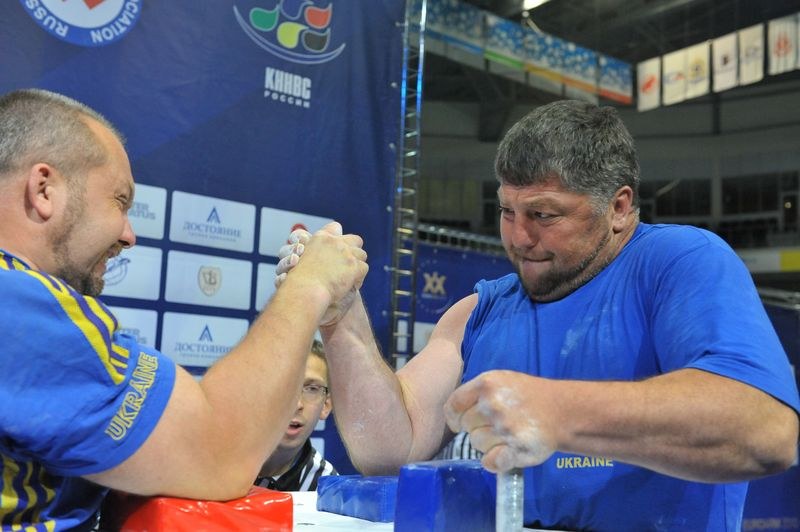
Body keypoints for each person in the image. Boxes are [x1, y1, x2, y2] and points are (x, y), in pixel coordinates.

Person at [277, 100, 800, 530]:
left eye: (543, 215)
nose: (518, 237)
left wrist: (560, 412)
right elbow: (389, 449)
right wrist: (341, 318)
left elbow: (766, 432)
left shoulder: (680, 263)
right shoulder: (478, 310)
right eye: (507, 210)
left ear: (618, 207)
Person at [0, 88, 368, 531]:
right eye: (120, 201)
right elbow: (219, 452)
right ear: (44, 190)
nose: (129, 235)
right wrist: (310, 283)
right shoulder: (20, 305)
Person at [255, 339, 338, 491]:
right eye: (283, 385)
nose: (296, 404)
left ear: (326, 405)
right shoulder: (215, 461)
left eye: (312, 389)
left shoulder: (326, 489)